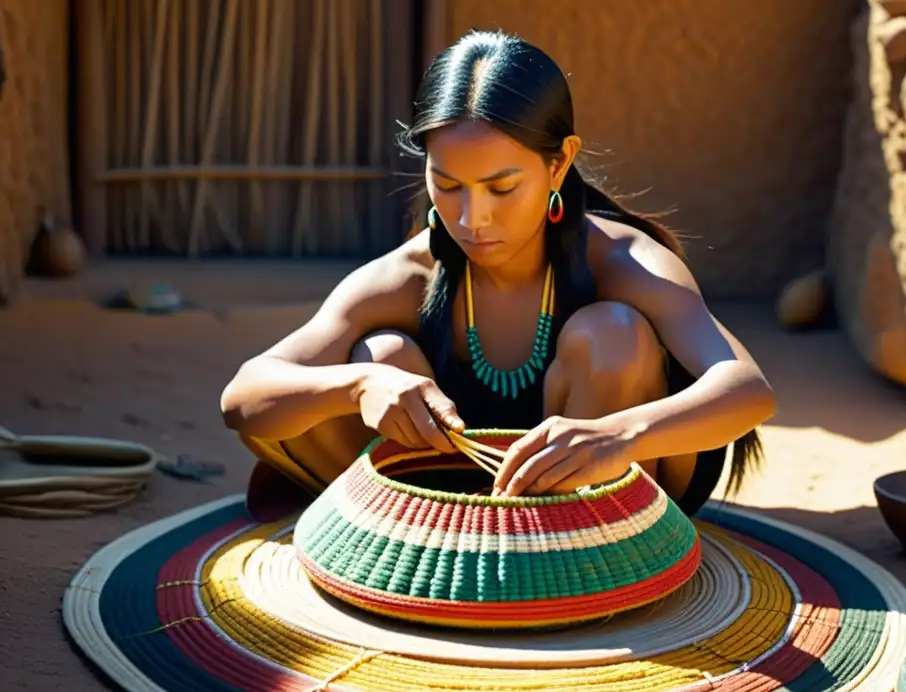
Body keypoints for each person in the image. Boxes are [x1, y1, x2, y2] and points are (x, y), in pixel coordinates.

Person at [220, 29, 776, 511]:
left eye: (502, 188)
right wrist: (360, 385)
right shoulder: (410, 276)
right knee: (380, 354)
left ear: (559, 162)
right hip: (449, 523)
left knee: (614, 334)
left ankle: (584, 559)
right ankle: (415, 543)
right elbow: (244, 397)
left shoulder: (621, 260)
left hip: (608, 517)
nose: (471, 217)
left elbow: (747, 389)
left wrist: (618, 435)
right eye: (449, 184)